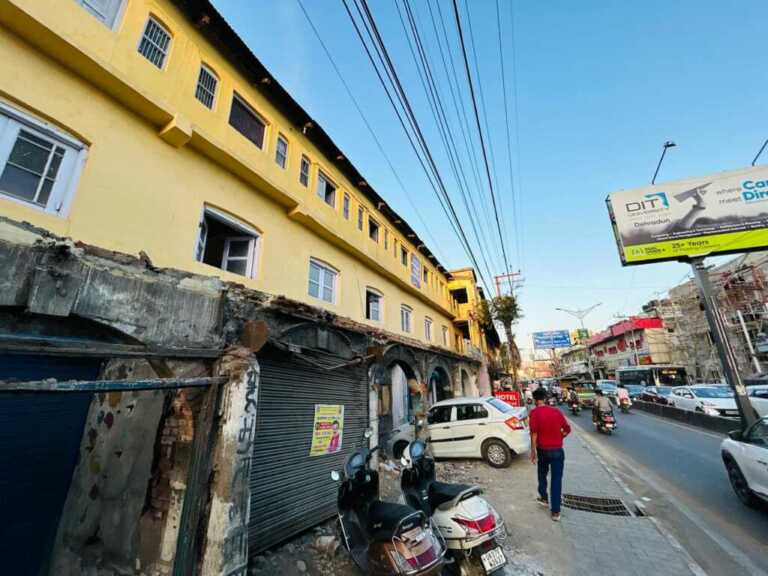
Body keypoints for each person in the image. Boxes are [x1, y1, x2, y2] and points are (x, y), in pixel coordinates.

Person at [529, 387, 571, 522]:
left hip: (543, 450)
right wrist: (560, 437)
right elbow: (567, 429)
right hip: (557, 451)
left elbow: (534, 434)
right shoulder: (556, 411)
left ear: (535, 400)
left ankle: (544, 498)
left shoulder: (534, 413)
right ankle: (556, 512)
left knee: (542, 474)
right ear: (545, 399)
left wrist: (533, 452)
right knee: (556, 480)